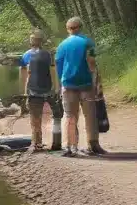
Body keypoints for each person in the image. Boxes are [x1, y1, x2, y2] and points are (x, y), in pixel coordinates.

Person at [54, 16, 104, 158]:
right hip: (86, 84)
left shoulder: (62, 45)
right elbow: (92, 62)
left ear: (68, 29)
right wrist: (97, 82)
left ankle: (71, 147)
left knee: (70, 116)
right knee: (90, 115)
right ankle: (93, 144)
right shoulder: (87, 42)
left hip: (68, 85)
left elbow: (58, 65)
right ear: (81, 27)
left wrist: (60, 84)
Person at [19, 30, 57, 151]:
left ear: (31, 41)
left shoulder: (26, 55)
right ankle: (57, 142)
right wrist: (55, 87)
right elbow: (52, 72)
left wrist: (24, 92)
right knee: (56, 116)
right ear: (42, 41)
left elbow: (25, 75)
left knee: (35, 118)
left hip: (33, 91)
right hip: (48, 89)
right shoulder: (48, 54)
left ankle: (37, 143)